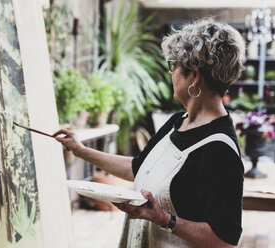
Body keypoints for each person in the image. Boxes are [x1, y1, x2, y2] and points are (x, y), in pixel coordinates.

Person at [54, 18, 245, 248]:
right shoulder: (178, 121)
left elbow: (225, 241)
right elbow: (138, 167)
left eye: (173, 66)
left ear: (194, 76)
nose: (171, 72)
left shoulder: (219, 148)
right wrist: (81, 151)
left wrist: (166, 220)